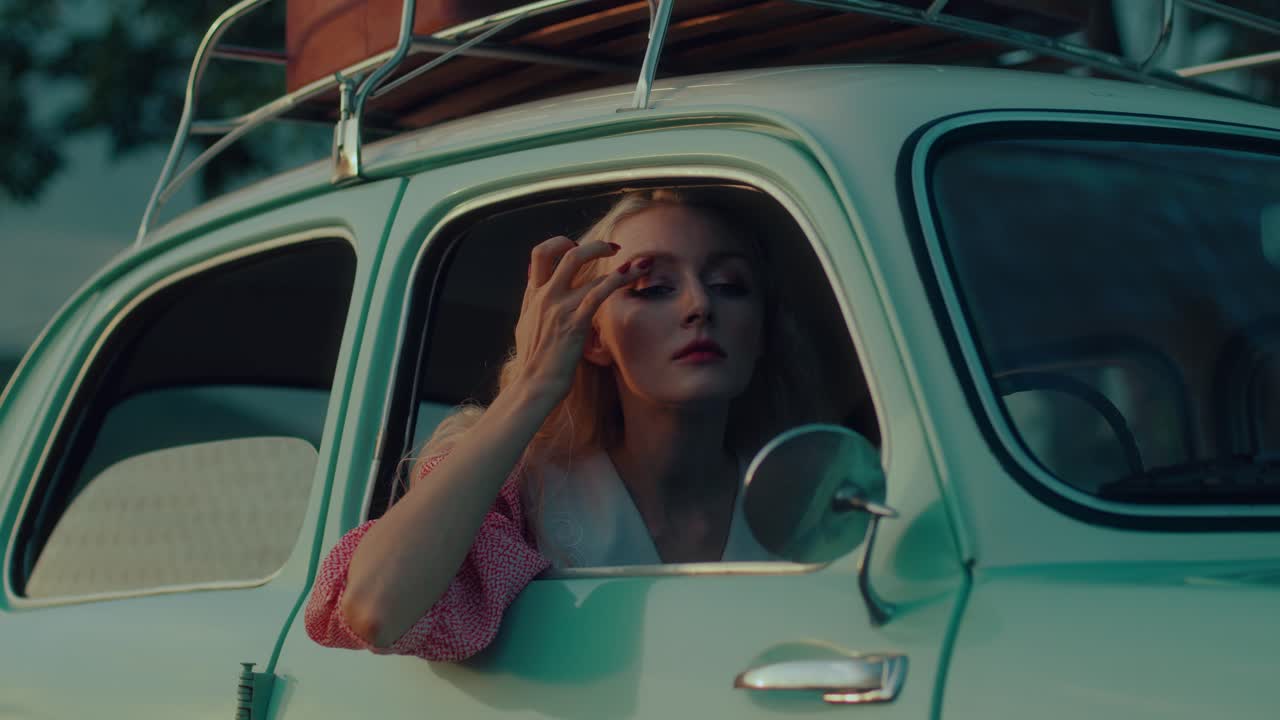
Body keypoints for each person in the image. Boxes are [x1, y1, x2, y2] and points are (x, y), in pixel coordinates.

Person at [304, 188, 827, 662]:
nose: (699, 305)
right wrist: (533, 381)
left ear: (760, 330)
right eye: (653, 287)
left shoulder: (814, 503)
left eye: (729, 284)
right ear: (591, 337)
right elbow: (375, 609)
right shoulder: (526, 496)